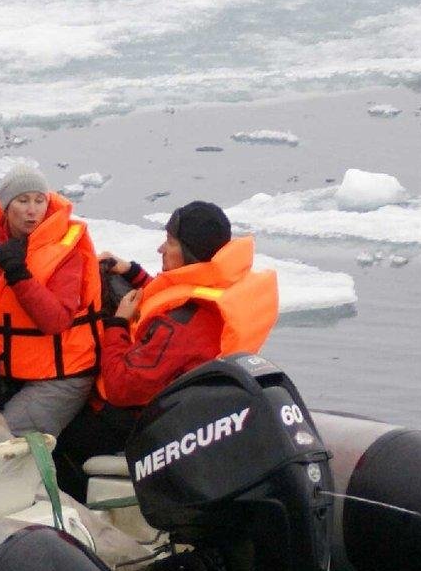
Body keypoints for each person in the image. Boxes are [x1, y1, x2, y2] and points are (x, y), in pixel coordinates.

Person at [53, 201, 279, 498]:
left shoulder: (180, 326)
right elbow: (175, 294)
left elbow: (122, 387)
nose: (161, 248)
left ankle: (76, 520)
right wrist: (134, 274)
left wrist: (117, 324)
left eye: (170, 242)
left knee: (59, 442)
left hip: (142, 424)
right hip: (189, 408)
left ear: (190, 251)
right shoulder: (217, 288)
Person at [0, 168, 104, 438]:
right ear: (7, 207)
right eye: (23, 201)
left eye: (39, 200)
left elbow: (55, 320)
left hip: (61, 375)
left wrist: (18, 274)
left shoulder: (66, 251)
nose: (32, 210)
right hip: (6, 370)